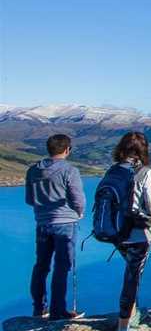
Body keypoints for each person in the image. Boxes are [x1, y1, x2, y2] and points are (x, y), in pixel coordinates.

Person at [111, 131, 151, 331]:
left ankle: (130, 316)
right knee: (133, 278)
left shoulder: (114, 170)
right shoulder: (145, 172)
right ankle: (124, 329)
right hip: (138, 233)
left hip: (116, 233)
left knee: (131, 273)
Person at [25, 134, 86, 320]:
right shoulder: (69, 170)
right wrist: (79, 212)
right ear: (67, 150)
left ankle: (39, 308)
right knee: (62, 266)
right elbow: (78, 198)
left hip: (42, 223)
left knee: (41, 266)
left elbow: (29, 199)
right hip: (65, 224)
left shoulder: (33, 170)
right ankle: (58, 311)